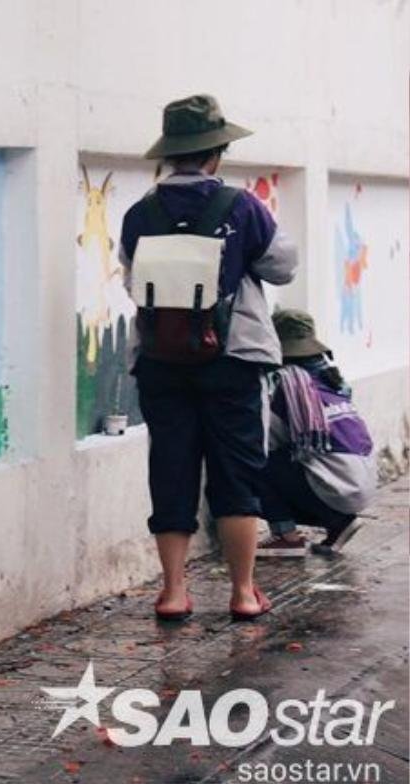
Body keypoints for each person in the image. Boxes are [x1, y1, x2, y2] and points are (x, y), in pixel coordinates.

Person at [120, 94, 298, 621]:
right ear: (216, 151)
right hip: (234, 359)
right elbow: (282, 267)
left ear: (170, 153)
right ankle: (243, 593)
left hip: (160, 360)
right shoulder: (241, 208)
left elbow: (133, 279)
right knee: (237, 472)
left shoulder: (140, 213)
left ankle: (174, 592)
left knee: (170, 467)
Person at [256, 309, 376, 557]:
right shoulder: (331, 380)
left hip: (337, 486)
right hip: (360, 482)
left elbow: (266, 441)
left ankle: (286, 536)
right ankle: (338, 523)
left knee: (254, 463)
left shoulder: (287, 385)